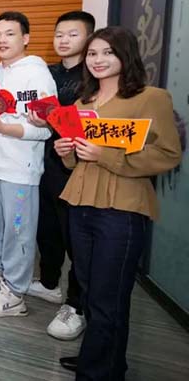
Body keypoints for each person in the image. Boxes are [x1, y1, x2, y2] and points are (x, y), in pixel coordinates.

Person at [54, 27, 180, 377]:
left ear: (126, 55)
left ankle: (97, 370)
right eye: (93, 54)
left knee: (109, 295)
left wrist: (104, 155)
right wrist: (66, 151)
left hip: (122, 209)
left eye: (108, 52)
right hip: (80, 204)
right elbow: (75, 162)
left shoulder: (151, 98)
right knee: (89, 289)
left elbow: (168, 154)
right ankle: (102, 358)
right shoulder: (82, 102)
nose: (98, 60)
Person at [0, 11, 57, 317]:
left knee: (18, 232)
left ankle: (15, 294)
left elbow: (45, 129)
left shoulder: (37, 75)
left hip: (21, 171)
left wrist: (1, 127)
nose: (2, 40)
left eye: (9, 34)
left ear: (26, 38)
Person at [26, 11, 94, 340]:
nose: (64, 40)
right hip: (46, 160)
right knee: (47, 228)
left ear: (89, 37)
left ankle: (76, 305)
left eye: (72, 34)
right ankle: (49, 283)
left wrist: (51, 120)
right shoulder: (47, 72)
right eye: (59, 34)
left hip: (78, 165)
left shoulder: (92, 76)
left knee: (75, 237)